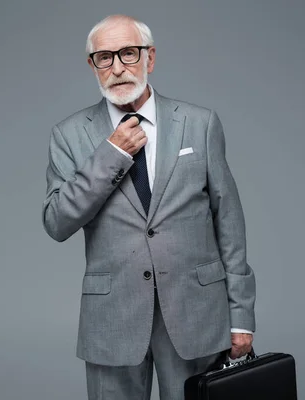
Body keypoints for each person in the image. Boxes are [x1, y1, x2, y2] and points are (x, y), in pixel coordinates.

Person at [41, 14, 256, 400]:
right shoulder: (69, 134)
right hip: (113, 320)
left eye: (128, 53)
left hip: (197, 316)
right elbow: (57, 222)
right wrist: (112, 154)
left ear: (150, 58)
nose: (118, 68)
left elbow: (229, 223)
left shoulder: (200, 123)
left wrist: (241, 316)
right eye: (104, 57)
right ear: (92, 65)